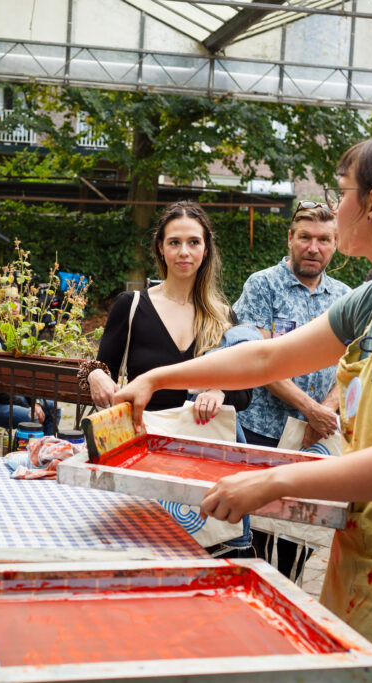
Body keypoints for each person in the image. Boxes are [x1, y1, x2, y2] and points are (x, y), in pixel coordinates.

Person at [115, 130, 372, 682]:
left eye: (343, 193)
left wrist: (276, 481)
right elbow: (267, 360)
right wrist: (157, 377)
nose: (337, 206)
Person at [81, 200, 253, 554]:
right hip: (141, 455)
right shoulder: (130, 305)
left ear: (206, 249)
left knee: (195, 557)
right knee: (137, 551)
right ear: (161, 247)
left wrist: (221, 391)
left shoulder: (222, 316)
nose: (184, 252)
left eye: (193, 242)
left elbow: (246, 392)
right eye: (174, 242)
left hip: (197, 462)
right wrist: (95, 376)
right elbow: (101, 369)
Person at [231, 202, 351, 578]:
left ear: (335, 244)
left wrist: (325, 412)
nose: (313, 247)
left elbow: (350, 363)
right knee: (251, 530)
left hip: (314, 438)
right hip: (260, 432)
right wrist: (310, 408)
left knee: (295, 535)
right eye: (305, 238)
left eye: (324, 240)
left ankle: (284, 597)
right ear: (290, 238)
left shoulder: (345, 296)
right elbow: (256, 357)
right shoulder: (262, 285)